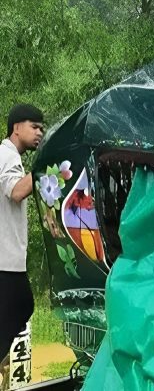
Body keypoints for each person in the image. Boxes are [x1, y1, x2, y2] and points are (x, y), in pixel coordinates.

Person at [0, 104, 44, 358]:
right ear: (16, 128)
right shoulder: (7, 156)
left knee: (19, 307)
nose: (40, 133)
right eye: (34, 126)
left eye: (42, 129)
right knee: (21, 305)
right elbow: (16, 191)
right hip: (6, 263)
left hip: (7, 260)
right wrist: (45, 163)